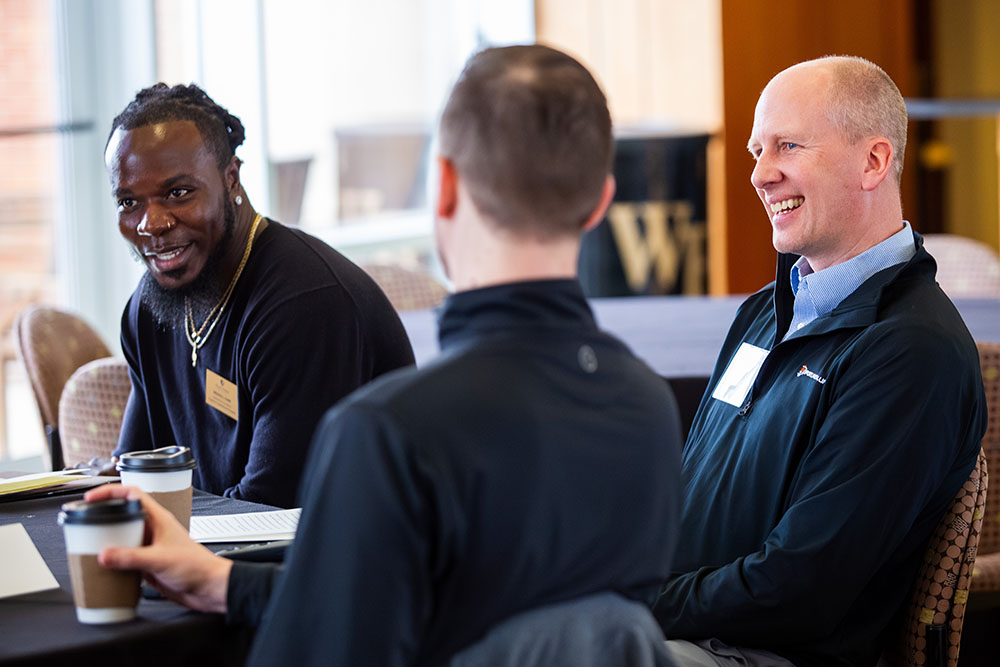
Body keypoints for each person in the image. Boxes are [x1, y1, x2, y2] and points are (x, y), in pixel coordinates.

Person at [87, 45, 684, 666]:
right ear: (601, 201)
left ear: (443, 186)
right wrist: (223, 583)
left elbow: (330, 639)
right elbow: (461, 610)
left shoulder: (385, 433)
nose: (153, 222)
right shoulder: (651, 408)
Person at [653, 56, 987, 666]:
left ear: (874, 162)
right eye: (757, 150)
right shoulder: (764, 313)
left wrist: (644, 603)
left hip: (761, 652)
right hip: (683, 625)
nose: (760, 175)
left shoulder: (910, 352)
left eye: (787, 145)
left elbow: (800, 589)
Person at [104, 84, 415, 508]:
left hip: (336, 563)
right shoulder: (149, 308)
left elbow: (269, 514)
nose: (151, 224)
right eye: (128, 202)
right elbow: (135, 477)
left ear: (230, 177)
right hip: (218, 560)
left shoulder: (302, 305)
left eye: (178, 193)